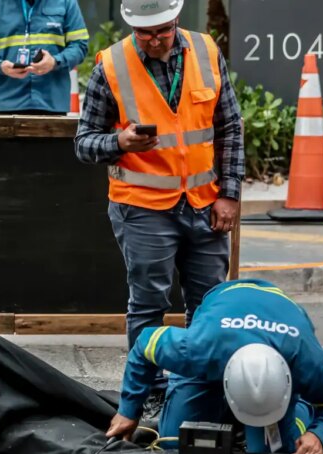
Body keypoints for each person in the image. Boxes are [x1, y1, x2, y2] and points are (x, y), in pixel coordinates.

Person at [73, 0, 244, 412]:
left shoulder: (206, 51)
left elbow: (230, 126)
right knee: (148, 305)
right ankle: (148, 395)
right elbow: (83, 142)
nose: (154, 40)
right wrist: (119, 142)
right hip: (142, 207)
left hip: (204, 204)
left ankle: (201, 391)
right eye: (145, 33)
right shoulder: (111, 66)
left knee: (210, 304)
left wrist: (229, 193)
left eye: (162, 31)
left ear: (176, 20)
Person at [106, 279, 323, 454]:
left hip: (279, 312)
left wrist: (318, 434)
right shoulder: (199, 349)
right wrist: (129, 410)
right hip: (221, 312)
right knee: (175, 446)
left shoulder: (305, 358)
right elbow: (144, 344)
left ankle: (300, 406)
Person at [0, 0, 89, 115]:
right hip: (7, 100)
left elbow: (79, 45)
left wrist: (54, 62)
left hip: (52, 101)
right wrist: (0, 66)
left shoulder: (66, 1)